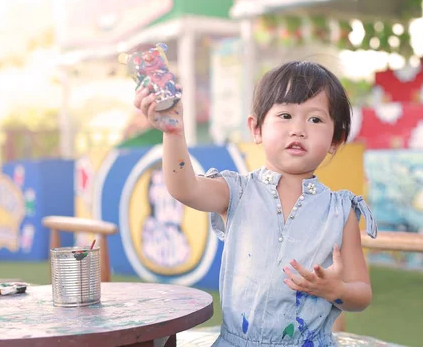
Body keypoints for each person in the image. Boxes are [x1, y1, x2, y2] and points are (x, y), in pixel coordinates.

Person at [133, 61, 378, 347]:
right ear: (257, 128)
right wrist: (173, 133)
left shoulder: (340, 210)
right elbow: (184, 188)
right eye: (285, 115)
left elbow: (361, 294)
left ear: (336, 139)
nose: (298, 129)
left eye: (315, 119)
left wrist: (334, 289)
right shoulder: (236, 190)